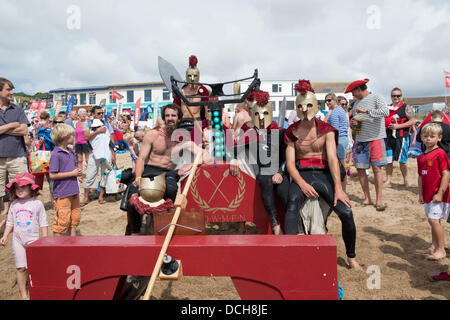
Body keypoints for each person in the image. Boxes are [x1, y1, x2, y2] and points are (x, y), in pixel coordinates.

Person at [284, 80, 360, 270]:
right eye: (301, 106)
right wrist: (301, 184)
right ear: (296, 108)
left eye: (309, 105)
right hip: (302, 173)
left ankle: (351, 257)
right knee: (292, 205)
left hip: (323, 174)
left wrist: (339, 188)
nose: (305, 109)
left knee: (346, 212)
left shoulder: (326, 130)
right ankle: (290, 255)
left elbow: (333, 159)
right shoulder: (292, 132)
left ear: (317, 106)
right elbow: (290, 165)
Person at [125, 104, 210, 235]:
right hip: (148, 170)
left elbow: (206, 156)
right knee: (133, 194)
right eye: (167, 115)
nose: (170, 118)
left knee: (170, 190)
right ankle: (135, 232)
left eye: (173, 116)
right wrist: (138, 178)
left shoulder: (182, 139)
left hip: (168, 173)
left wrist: (192, 165)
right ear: (164, 118)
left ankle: (159, 224)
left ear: (179, 119)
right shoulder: (153, 135)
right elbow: (141, 159)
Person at [230, 91, 289, 235]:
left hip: (280, 170)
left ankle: (294, 226)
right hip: (263, 171)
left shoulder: (279, 131)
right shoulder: (250, 132)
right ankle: (275, 225)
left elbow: (287, 156)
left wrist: (280, 172)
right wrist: (234, 158)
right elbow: (236, 148)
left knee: (284, 192)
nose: (261, 119)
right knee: (264, 180)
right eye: (255, 113)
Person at [0, 173, 48, 300]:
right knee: (21, 268)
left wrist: (45, 239)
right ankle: (24, 295)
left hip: (34, 241)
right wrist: (4, 236)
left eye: (23, 187)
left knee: (36, 268)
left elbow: (43, 223)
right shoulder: (14, 204)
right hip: (17, 240)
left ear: (31, 188)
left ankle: (37, 291)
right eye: (16, 187)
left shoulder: (37, 204)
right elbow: (10, 222)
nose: (19, 190)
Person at [347, 79, 389, 211]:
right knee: (360, 169)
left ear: (359, 89)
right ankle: (367, 198)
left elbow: (385, 112)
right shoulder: (355, 104)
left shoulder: (377, 97)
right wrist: (354, 125)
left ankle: (379, 200)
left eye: (354, 92)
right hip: (361, 139)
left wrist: (367, 112)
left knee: (377, 169)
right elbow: (357, 125)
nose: (353, 95)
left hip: (376, 138)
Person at [416, 123, 449, 260]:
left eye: (432, 136)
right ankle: (434, 246)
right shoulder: (421, 156)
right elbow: (420, 176)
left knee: (434, 220)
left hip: (438, 194)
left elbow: (446, 173)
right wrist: (420, 194)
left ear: (439, 138)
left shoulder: (440, 153)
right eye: (425, 136)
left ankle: (441, 249)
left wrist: (440, 192)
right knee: (432, 221)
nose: (428, 139)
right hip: (428, 194)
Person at [0, 78, 29, 221]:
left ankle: (18, 221)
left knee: (21, 190)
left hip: (17, 157)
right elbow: (18, 127)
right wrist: (11, 125)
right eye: (8, 89)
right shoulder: (15, 114)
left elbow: (23, 130)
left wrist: (2, 129)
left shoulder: (17, 109)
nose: (12, 92)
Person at [49, 124, 82, 236]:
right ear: (64, 137)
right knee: (62, 220)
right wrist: (72, 173)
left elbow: (72, 167)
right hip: (62, 193)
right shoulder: (56, 154)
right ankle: (57, 246)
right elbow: (52, 175)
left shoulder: (70, 151)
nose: (74, 137)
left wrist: (77, 175)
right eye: (71, 135)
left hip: (73, 190)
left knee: (74, 218)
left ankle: (73, 241)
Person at [81, 106, 116, 206]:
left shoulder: (107, 124)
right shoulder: (88, 124)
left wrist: (114, 153)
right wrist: (97, 131)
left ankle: (101, 196)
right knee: (90, 174)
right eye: (98, 113)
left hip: (107, 152)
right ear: (93, 114)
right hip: (94, 152)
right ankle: (86, 197)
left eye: (102, 113)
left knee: (105, 174)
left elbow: (111, 139)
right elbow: (86, 137)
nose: (101, 115)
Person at [384, 88, 416, 187]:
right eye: (394, 96)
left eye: (398, 95)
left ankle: (405, 180)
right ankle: (388, 180)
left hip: (401, 136)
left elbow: (413, 121)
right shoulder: (386, 108)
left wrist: (398, 126)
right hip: (388, 137)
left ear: (401, 96)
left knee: (402, 160)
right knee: (388, 160)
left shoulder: (406, 107)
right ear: (391, 96)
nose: (396, 97)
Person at [173, 55, 210, 133]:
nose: (192, 78)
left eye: (195, 76)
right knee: (182, 144)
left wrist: (208, 125)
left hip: (197, 123)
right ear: (186, 76)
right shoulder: (181, 90)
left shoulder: (202, 90)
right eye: (189, 76)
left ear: (198, 76)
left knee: (197, 144)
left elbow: (208, 110)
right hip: (182, 123)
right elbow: (174, 109)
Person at [324, 93, 350, 191]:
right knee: (341, 166)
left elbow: (334, 130)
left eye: (329, 100)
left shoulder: (335, 112)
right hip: (343, 139)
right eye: (325, 101)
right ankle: (343, 190)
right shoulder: (341, 110)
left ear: (335, 100)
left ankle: (341, 190)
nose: (327, 102)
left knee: (339, 167)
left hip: (338, 140)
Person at [74, 108, 90, 174]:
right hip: (78, 142)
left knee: (87, 159)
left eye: (84, 113)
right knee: (79, 160)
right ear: (79, 115)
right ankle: (80, 173)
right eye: (82, 113)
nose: (83, 115)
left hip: (85, 142)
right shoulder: (76, 123)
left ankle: (90, 173)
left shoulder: (88, 122)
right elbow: (75, 134)